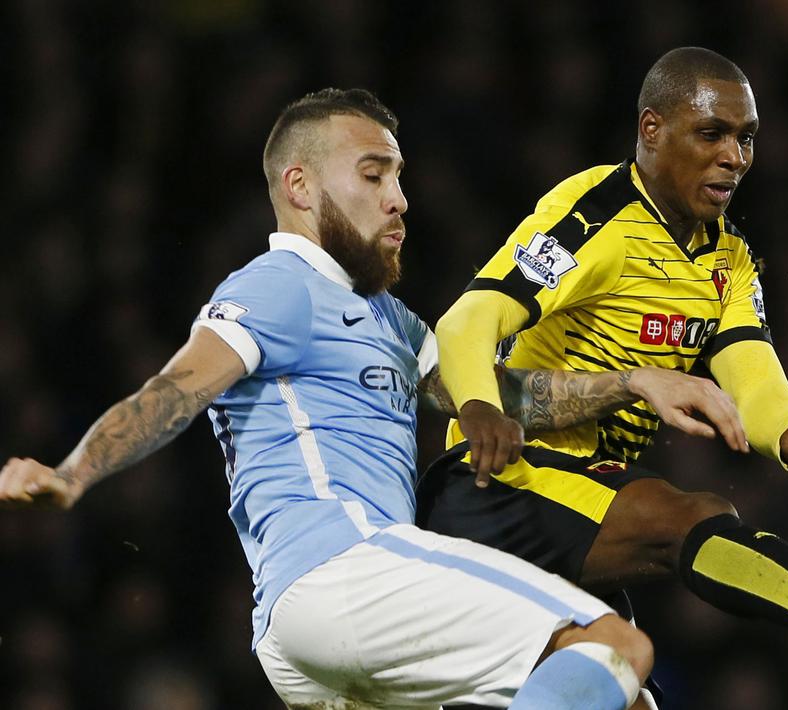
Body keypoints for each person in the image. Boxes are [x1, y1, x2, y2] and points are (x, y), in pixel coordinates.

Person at [0, 88, 742, 710]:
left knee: (624, 700)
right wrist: (72, 473)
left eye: (399, 178)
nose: (399, 199)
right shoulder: (282, 285)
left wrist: (631, 382)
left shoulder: (386, 318)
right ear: (300, 186)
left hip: (317, 633)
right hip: (343, 567)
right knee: (613, 644)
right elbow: (173, 391)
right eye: (373, 175)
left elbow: (502, 395)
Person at [419, 47, 788, 696]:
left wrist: (787, 432)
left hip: (584, 506)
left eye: (746, 138)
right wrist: (477, 404)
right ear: (651, 131)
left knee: (625, 695)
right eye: (711, 133)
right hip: (502, 486)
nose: (734, 156)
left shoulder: (728, 257)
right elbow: (467, 321)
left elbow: (750, 370)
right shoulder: (595, 217)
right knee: (689, 516)